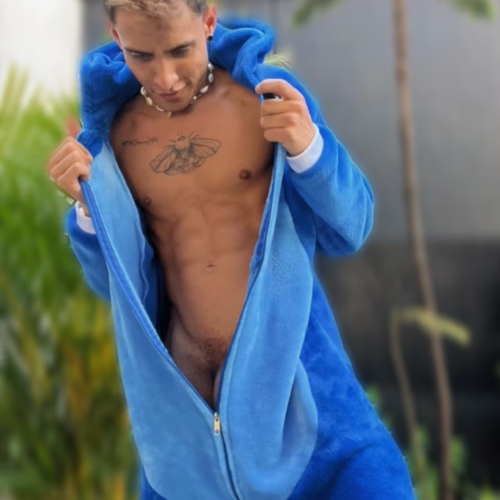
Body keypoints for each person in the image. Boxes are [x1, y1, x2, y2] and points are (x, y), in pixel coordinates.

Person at [47, 1, 416, 498]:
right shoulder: (112, 141)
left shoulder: (263, 99)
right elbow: (119, 289)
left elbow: (351, 226)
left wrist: (310, 150)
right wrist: (89, 210)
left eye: (180, 50)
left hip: (299, 393)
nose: (165, 77)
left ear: (208, 21)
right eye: (141, 56)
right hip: (184, 427)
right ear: (115, 36)